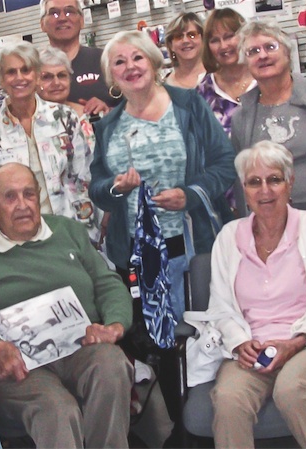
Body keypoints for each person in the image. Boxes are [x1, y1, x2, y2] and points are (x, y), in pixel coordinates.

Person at [0, 163, 135, 448]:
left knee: (112, 364)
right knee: (57, 408)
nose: (22, 205)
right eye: (10, 197)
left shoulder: (68, 231)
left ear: (39, 196)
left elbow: (107, 284)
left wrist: (114, 326)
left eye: (29, 194)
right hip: (15, 362)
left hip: (78, 345)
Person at [89, 31, 236, 321]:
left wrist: (190, 194)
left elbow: (225, 163)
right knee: (156, 339)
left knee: (203, 333)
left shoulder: (189, 106)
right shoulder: (108, 126)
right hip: (139, 253)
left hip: (193, 243)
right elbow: (96, 187)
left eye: (137, 57)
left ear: (154, 62)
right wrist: (116, 187)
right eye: (119, 62)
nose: (130, 67)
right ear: (111, 75)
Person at [207, 140, 306, 449]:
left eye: (274, 179)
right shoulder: (227, 237)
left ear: (290, 183)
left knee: (292, 389)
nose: (265, 190)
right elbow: (220, 308)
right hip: (254, 349)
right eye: (254, 182)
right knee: (228, 399)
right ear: (244, 189)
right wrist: (240, 342)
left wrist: (294, 342)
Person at [0, 42, 101, 243]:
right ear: (2, 80)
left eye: (26, 70)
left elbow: (83, 179)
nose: (20, 78)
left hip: (68, 229)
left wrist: (89, 231)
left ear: (37, 75)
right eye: (11, 72)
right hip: (17, 238)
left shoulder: (65, 118)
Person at [231, 21, 306, 224]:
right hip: (276, 231)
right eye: (253, 51)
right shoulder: (241, 118)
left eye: (270, 47)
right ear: (246, 63)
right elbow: (241, 180)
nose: (262, 55)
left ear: (288, 53)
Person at [40, 0, 118, 115]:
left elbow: (134, 107)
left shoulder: (107, 60)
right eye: (54, 13)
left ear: (82, 21)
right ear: (42, 24)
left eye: (69, 12)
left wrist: (108, 111)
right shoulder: (32, 70)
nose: (62, 18)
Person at [197, 8, 256, 136]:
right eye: (215, 40)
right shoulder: (202, 93)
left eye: (229, 36)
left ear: (244, 36)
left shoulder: (264, 80)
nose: (223, 46)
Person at [164, 12, 206, 89]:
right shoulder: (166, 87)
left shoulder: (219, 76)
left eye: (192, 35)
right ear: (171, 45)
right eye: (178, 36)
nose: (185, 40)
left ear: (203, 39)